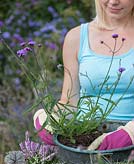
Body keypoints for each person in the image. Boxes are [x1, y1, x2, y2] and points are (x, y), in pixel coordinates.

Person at [34, 0, 134, 150]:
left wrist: (130, 134)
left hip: (129, 142)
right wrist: (49, 119)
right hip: (84, 139)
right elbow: (70, 102)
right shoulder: (77, 38)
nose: (113, 1)